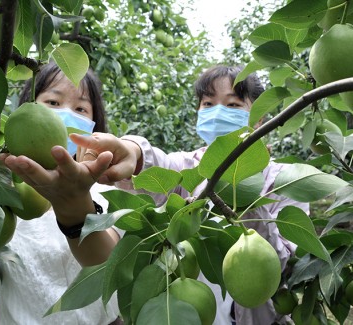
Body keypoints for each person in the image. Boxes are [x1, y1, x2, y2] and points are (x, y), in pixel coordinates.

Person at [69, 65, 310, 325]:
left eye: (233, 105)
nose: (218, 112)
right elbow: (157, 166)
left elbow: (286, 263)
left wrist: (244, 195)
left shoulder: (286, 180)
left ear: (259, 118)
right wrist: (133, 151)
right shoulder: (189, 166)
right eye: (208, 103)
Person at [0, 62, 123, 325]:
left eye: (80, 109)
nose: (64, 114)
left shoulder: (102, 194)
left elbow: (107, 264)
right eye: (53, 102)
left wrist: (75, 207)